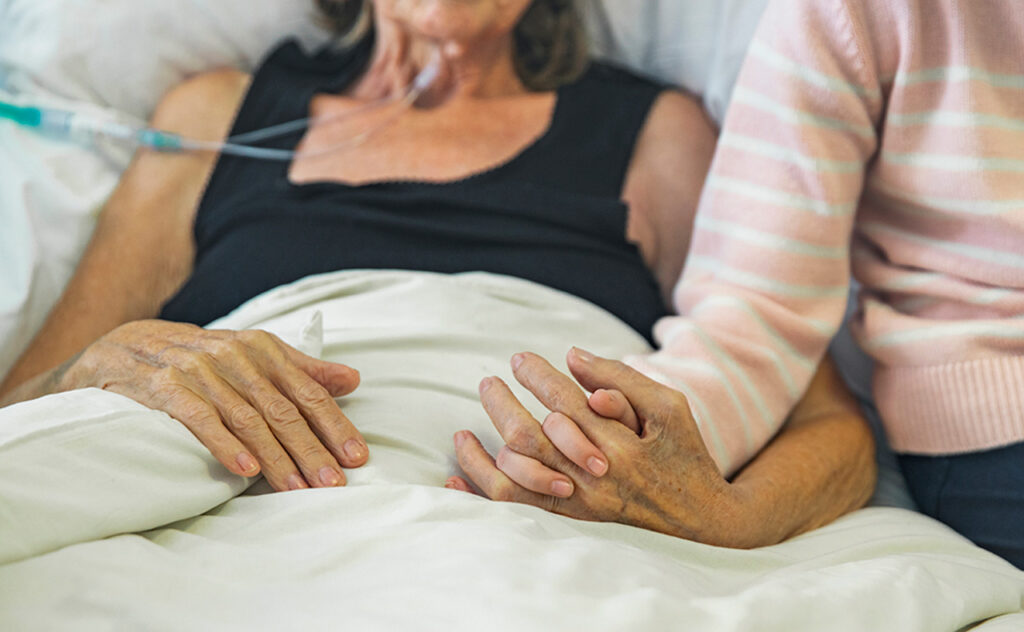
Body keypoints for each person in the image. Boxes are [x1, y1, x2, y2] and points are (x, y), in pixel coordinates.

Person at [0, 0, 876, 547]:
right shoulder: (216, 115)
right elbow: (26, 403)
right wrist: (124, 361)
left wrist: (720, 520)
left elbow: (831, 428)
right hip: (249, 519)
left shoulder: (654, 132)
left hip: (550, 534)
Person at [451, 0, 1024, 567]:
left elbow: (811, 397)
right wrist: (624, 434)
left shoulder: (646, 128)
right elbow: (756, 310)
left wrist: (708, 499)